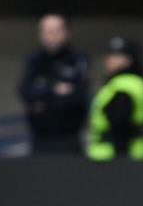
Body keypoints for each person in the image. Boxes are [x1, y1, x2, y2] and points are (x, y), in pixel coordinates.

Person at [17, 14, 90, 155]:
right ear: (41, 34)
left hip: (70, 137)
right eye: (48, 31)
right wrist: (54, 90)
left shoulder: (77, 58)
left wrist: (43, 100)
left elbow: (79, 95)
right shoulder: (34, 61)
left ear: (66, 32)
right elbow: (25, 92)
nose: (53, 36)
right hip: (40, 137)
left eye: (57, 31)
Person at [86, 38, 143, 161]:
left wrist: (120, 162)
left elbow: (120, 126)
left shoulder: (124, 86)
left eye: (115, 56)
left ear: (128, 60)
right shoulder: (124, 83)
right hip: (125, 155)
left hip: (114, 157)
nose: (109, 60)